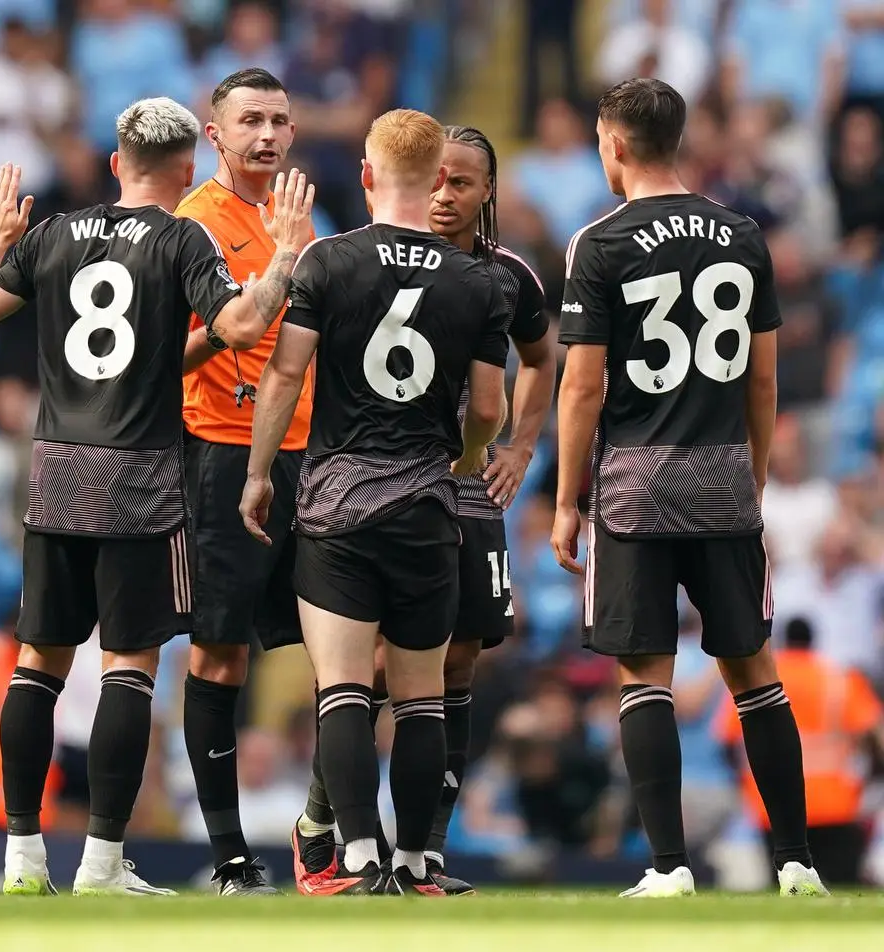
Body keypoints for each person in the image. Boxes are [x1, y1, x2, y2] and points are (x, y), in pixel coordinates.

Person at [0, 97, 313, 897]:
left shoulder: (51, 234)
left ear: (116, 163)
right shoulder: (184, 235)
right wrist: (283, 257)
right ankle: (103, 864)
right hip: (139, 475)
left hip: (56, 471)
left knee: (37, 663)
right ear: (187, 169)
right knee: (127, 668)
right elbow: (246, 326)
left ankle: (20, 857)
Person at [550, 77, 828, 898]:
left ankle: (668, 867)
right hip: (723, 479)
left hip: (634, 486)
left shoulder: (598, 243)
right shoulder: (743, 235)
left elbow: (582, 388)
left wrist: (567, 500)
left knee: (645, 678)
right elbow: (764, 380)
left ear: (615, 146)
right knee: (754, 672)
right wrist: (754, 477)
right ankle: (799, 862)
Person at [241, 108, 509, 895]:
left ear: (366, 175)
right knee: (423, 694)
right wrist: (455, 459)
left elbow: (285, 376)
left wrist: (259, 475)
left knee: (346, 689)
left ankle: (355, 857)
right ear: (435, 182)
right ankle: (419, 862)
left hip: (337, 505)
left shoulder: (328, 261)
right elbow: (489, 409)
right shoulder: (478, 282)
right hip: (429, 507)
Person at [292, 124, 557, 896]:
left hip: (467, 484)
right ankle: (329, 819)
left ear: (486, 193)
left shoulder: (506, 274)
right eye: (437, 180)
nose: (446, 195)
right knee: (372, 663)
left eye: (463, 183)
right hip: (389, 483)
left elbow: (542, 359)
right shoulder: (381, 261)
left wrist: (520, 446)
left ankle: (425, 853)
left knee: (460, 656)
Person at [175, 66, 314, 896]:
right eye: (251, 121)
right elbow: (176, 351)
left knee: (345, 651)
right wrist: (246, 320)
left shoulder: (293, 217)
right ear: (214, 133)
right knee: (219, 653)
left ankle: (331, 838)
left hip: (311, 454)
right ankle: (229, 853)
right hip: (223, 450)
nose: (267, 135)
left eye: (280, 121)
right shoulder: (195, 223)